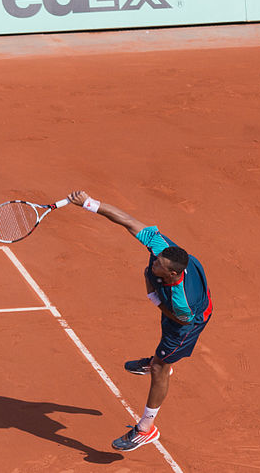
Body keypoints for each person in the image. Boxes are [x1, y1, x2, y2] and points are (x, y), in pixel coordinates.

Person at [67, 190, 213, 452]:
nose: (153, 261)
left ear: (171, 273)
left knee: (160, 367)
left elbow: (178, 318)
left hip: (187, 323)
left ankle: (146, 428)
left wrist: (153, 296)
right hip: (173, 305)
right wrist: (89, 203)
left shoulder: (182, 301)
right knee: (161, 357)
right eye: (156, 258)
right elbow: (129, 222)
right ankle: (159, 361)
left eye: (158, 264)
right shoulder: (162, 248)